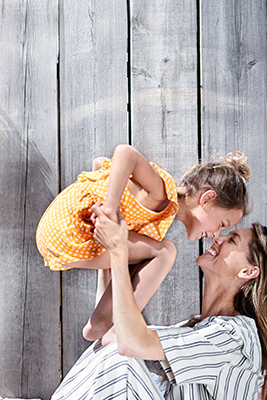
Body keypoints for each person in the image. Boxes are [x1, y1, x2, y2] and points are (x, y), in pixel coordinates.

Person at [51, 204, 267, 400]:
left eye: (232, 240)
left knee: (123, 360)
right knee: (118, 349)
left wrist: (119, 250)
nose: (218, 238)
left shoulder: (234, 336)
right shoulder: (196, 328)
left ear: (248, 271)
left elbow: (130, 344)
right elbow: (113, 334)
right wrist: (109, 246)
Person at [36, 144, 251, 341]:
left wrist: (105, 199)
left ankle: (100, 323)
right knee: (165, 252)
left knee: (142, 252)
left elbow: (100, 163)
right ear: (206, 199)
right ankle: (119, 329)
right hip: (68, 231)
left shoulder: (160, 213)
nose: (216, 234)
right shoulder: (160, 193)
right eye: (222, 224)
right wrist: (109, 208)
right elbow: (125, 153)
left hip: (57, 235)